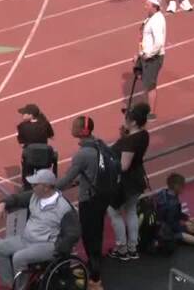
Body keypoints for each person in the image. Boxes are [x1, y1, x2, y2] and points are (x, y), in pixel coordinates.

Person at [0, 169, 80, 289]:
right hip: (27, 239)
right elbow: (17, 199)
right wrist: (3, 203)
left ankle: (21, 288)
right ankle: (8, 285)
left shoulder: (63, 207)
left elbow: (73, 233)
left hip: (47, 245)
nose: (32, 186)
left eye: (35, 184)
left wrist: (59, 248)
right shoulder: (34, 196)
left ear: (46, 187)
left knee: (19, 258)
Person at [55, 115, 111, 289]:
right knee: (97, 233)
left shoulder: (82, 154)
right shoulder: (100, 144)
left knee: (89, 238)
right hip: (102, 197)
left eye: (74, 126)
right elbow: (93, 171)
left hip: (89, 200)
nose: (71, 128)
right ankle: (95, 268)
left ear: (82, 131)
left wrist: (48, 186)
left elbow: (65, 180)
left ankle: (95, 279)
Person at [108, 103, 151, 260]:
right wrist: (124, 136)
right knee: (131, 211)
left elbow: (124, 166)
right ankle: (133, 247)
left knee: (115, 213)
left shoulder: (129, 142)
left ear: (133, 122)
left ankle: (122, 248)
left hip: (125, 183)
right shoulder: (144, 135)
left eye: (128, 117)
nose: (125, 119)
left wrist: (108, 165)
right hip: (137, 179)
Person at [148, 173, 194, 252]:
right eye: (182, 186)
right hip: (167, 232)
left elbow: (175, 215)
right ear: (177, 187)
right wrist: (185, 225)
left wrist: (187, 218)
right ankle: (176, 238)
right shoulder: (173, 204)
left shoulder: (164, 193)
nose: (184, 188)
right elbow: (171, 225)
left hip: (159, 228)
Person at [136, 0, 166, 118]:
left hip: (152, 58)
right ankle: (144, 108)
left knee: (150, 85)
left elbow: (159, 42)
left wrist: (148, 54)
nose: (145, 6)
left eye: (147, 5)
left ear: (154, 6)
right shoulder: (151, 17)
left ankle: (150, 113)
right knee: (145, 83)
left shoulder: (157, 21)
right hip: (146, 55)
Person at [17, 103, 58, 188]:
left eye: (24, 113)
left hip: (29, 158)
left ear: (31, 115)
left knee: (27, 175)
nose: (22, 115)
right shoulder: (45, 124)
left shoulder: (21, 126)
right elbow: (52, 136)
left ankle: (27, 188)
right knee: (43, 177)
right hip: (44, 157)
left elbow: (21, 144)